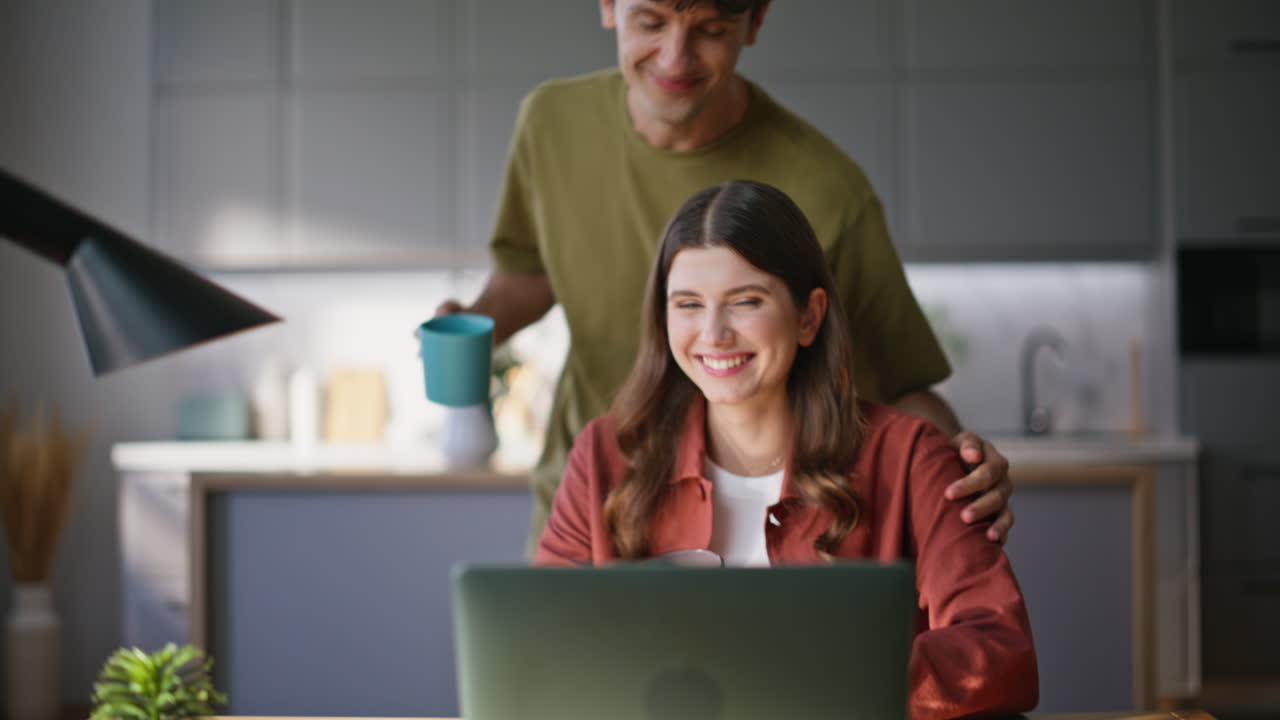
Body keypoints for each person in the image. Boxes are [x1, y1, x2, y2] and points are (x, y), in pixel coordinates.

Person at [435, 0, 1014, 551]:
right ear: (608, 6)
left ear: (756, 19)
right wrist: (472, 325)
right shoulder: (551, 124)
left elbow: (902, 383)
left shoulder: (829, 190)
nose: (674, 58)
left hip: (753, 520)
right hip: (589, 506)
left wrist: (960, 467)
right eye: (650, 22)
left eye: (709, 31)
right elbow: (529, 272)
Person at [535, 181, 1038, 720]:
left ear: (809, 316)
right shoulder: (604, 457)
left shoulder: (910, 455)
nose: (713, 333)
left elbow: (1001, 653)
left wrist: (825, 673)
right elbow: (538, 649)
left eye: (745, 302)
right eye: (687, 305)